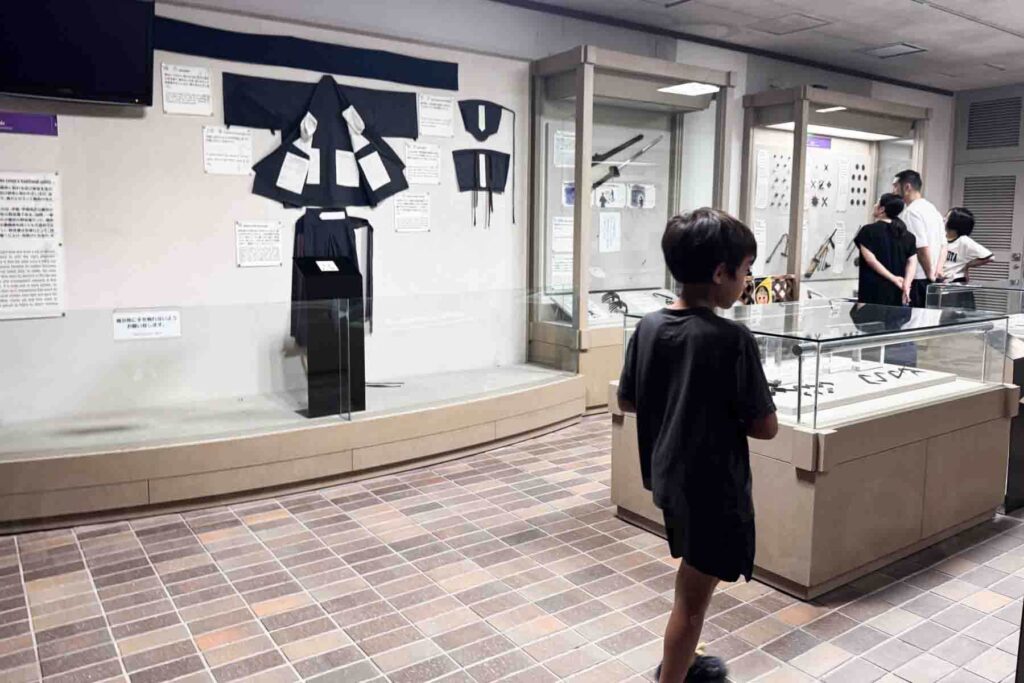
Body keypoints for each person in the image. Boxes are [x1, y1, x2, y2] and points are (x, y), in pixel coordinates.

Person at [617, 208, 778, 683]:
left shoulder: (647, 325)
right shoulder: (732, 339)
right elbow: (765, 426)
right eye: (745, 271)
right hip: (714, 487)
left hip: (670, 478)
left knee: (692, 576)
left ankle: (684, 663)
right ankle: (675, 673)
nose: (746, 282)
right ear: (720, 272)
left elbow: (628, 398)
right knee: (692, 600)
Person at [893, 170, 946, 307]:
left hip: (919, 278)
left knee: (915, 323)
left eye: (895, 186)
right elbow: (943, 246)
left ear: (907, 187)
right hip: (933, 278)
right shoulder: (932, 209)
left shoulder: (911, 212)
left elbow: (920, 248)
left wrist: (929, 274)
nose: (893, 191)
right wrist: (937, 270)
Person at [854, 193, 917, 306]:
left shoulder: (868, 231)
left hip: (872, 294)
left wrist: (893, 278)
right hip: (897, 293)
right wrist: (906, 285)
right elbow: (912, 263)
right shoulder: (908, 236)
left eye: (877, 203)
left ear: (882, 209)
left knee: (868, 322)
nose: (874, 205)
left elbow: (871, 261)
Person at [942, 207, 992, 284]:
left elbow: (990, 257)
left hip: (955, 281)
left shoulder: (964, 241)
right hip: (941, 281)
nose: (943, 219)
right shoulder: (941, 237)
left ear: (954, 223)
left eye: (947, 218)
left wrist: (967, 265)